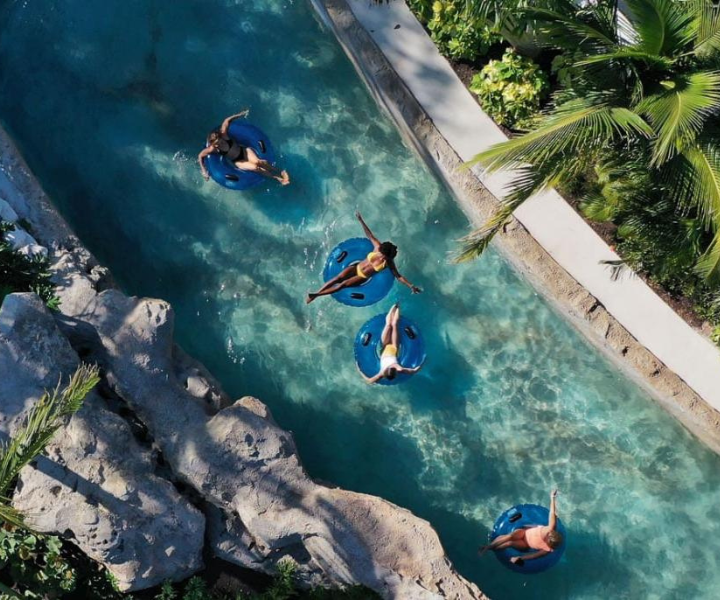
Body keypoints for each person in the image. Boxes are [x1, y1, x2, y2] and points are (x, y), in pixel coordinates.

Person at [306, 212, 422, 304]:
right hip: (356, 266)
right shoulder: (378, 247)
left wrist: (410, 286)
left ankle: (315, 295)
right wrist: (361, 220)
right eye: (380, 251)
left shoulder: (388, 263)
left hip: (362, 276)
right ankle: (316, 294)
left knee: (342, 285)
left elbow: (398, 276)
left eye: (382, 254)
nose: (380, 253)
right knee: (337, 278)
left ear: (386, 256)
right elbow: (369, 235)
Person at [198, 110, 290, 185]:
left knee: (259, 162)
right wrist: (204, 170)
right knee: (256, 168)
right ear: (214, 145)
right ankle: (278, 179)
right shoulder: (213, 149)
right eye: (218, 144)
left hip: (245, 151)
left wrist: (241, 114)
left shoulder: (224, 135)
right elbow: (200, 156)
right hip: (239, 161)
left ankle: (280, 171)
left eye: (220, 141)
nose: (220, 144)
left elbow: (227, 120)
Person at [479, 490, 563, 564]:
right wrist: (552, 497)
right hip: (524, 532)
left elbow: (533, 556)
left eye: (546, 540)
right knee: (509, 536)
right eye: (547, 536)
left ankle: (490, 548)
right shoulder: (550, 528)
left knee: (510, 543)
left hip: (525, 544)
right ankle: (488, 547)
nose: (545, 538)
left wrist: (519, 558)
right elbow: (552, 513)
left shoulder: (548, 549)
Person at [360, 303, 423, 384]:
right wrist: (422, 363)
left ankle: (394, 306)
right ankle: (397, 306)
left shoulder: (382, 372)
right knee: (394, 325)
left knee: (389, 325)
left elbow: (369, 381)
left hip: (384, 345)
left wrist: (359, 369)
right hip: (394, 346)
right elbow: (414, 370)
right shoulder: (399, 369)